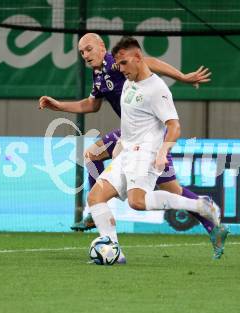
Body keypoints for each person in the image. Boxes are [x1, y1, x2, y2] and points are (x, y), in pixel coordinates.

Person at [38, 33, 215, 235]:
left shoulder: (115, 63)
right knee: (92, 155)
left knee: (171, 190)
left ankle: (205, 213)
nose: (85, 55)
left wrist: (182, 77)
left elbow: (150, 62)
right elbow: (92, 105)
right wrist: (59, 106)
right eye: (81, 52)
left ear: (102, 47)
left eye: (89, 49)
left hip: (148, 136)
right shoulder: (98, 73)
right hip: (129, 135)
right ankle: (95, 210)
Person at [87, 37, 228, 262]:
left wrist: (162, 152)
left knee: (137, 202)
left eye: (123, 63)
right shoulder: (125, 74)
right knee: (95, 196)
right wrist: (120, 146)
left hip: (146, 153)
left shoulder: (157, 90)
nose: (120, 68)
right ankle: (114, 251)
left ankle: (201, 206)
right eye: (118, 64)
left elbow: (174, 126)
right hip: (127, 150)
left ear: (137, 59)